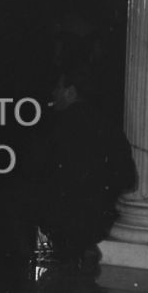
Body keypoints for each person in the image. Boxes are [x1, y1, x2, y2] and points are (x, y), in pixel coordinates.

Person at [31, 59, 136, 269]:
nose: (53, 93)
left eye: (58, 87)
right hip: (98, 217)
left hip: (63, 220)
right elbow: (127, 178)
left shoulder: (56, 127)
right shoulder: (108, 126)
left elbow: (37, 172)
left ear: (71, 91)